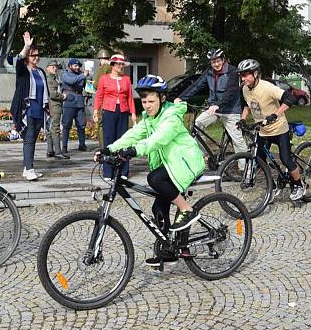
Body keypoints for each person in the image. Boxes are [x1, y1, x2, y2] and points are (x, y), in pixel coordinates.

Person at [102, 75, 206, 266]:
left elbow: (158, 139)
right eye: (144, 101)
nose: (147, 105)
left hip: (185, 163)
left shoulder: (171, 116)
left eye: (151, 101)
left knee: (155, 179)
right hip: (171, 165)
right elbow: (133, 134)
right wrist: (109, 149)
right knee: (158, 207)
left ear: (162, 99)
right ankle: (169, 250)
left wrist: (134, 150)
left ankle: (187, 210)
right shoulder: (149, 119)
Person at [237, 59, 306, 201]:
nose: (243, 79)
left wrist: (275, 114)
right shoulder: (244, 89)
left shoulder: (267, 87)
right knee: (260, 160)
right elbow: (246, 106)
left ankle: (299, 184)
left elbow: (289, 98)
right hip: (263, 130)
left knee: (285, 159)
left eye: (246, 75)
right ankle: (272, 186)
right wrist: (243, 119)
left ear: (255, 74)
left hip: (279, 129)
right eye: (241, 76)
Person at [174, 48, 248, 159]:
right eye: (213, 62)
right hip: (213, 108)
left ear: (223, 60)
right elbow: (196, 86)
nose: (216, 64)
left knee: (237, 140)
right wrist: (181, 98)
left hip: (230, 110)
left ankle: (246, 167)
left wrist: (218, 104)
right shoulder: (209, 72)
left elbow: (231, 91)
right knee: (196, 127)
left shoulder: (232, 71)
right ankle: (206, 156)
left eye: (218, 61)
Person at [10, 33, 50, 181]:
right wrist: (26, 46)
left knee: (33, 140)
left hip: (39, 109)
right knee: (29, 139)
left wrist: (48, 108)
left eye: (38, 55)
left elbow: (46, 91)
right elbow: (18, 61)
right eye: (33, 55)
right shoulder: (23, 71)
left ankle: (28, 168)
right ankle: (29, 168)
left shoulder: (41, 72)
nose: (36, 58)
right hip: (28, 109)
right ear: (28, 56)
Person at [94, 54, 137, 180]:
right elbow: (99, 96)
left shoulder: (126, 80)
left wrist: (133, 113)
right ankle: (108, 172)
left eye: (122, 64)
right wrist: (96, 110)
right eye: (118, 64)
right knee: (109, 140)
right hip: (109, 110)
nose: (121, 66)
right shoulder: (104, 79)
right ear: (112, 65)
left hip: (123, 111)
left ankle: (123, 171)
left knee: (124, 140)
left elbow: (130, 97)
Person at [61, 58, 90, 153]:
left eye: (78, 66)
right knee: (66, 124)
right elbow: (71, 81)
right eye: (75, 66)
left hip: (80, 101)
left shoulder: (81, 74)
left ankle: (82, 144)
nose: (77, 68)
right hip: (69, 101)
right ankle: (64, 146)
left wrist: (89, 79)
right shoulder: (65, 74)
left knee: (81, 125)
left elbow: (86, 86)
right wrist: (83, 75)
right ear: (70, 66)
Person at [44, 60, 69, 160]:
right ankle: (58, 151)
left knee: (50, 128)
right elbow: (53, 93)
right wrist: (63, 96)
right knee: (55, 128)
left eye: (56, 67)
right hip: (54, 106)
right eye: (53, 67)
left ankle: (50, 150)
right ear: (47, 68)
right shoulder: (50, 79)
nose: (55, 69)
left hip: (52, 106)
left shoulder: (54, 78)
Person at [93, 49, 112, 148]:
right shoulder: (114, 67)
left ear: (100, 59)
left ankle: (103, 147)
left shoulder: (103, 68)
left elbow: (97, 85)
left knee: (101, 125)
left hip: (103, 100)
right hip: (113, 101)